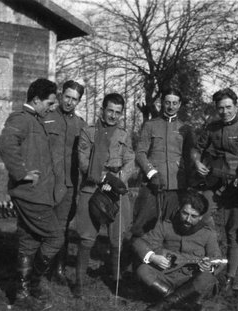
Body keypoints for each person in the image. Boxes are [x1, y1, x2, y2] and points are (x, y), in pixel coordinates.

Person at [0, 78, 61, 310]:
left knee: (28, 240)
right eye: (49, 102)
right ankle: (34, 282)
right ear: (36, 100)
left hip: (35, 193)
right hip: (30, 194)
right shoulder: (21, 119)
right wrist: (22, 173)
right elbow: (5, 144)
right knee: (55, 237)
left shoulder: (36, 120)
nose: (52, 107)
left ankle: (22, 296)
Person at [191, 88, 238, 294]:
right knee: (200, 218)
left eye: (228, 107)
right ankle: (203, 266)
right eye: (220, 108)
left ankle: (230, 277)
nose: (225, 112)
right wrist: (196, 161)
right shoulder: (211, 128)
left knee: (233, 233)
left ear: (236, 106)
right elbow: (196, 147)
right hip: (213, 183)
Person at [74, 93, 135, 298]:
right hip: (92, 187)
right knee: (86, 238)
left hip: (116, 189)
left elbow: (130, 161)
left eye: (118, 113)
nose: (113, 116)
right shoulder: (88, 132)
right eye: (110, 110)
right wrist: (103, 179)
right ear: (102, 110)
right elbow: (83, 161)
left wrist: (118, 179)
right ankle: (79, 285)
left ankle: (116, 283)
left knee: (117, 239)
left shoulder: (124, 135)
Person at [133, 189, 222, 311]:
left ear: (201, 217)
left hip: (192, 279)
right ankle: (184, 303)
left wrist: (209, 264)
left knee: (207, 278)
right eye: (185, 213)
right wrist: (153, 257)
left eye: (193, 216)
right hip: (167, 276)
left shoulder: (208, 234)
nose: (187, 219)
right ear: (180, 209)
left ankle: (164, 305)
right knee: (143, 270)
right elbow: (140, 243)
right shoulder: (166, 225)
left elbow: (218, 259)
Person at [132, 87, 195, 237]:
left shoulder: (186, 129)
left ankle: (165, 260)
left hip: (176, 187)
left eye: (174, 103)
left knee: (170, 229)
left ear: (179, 105)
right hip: (152, 185)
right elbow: (140, 153)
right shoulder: (150, 125)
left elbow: (190, 157)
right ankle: (139, 259)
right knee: (142, 227)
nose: (171, 106)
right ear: (162, 103)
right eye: (167, 102)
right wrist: (151, 173)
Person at [43, 80, 86, 284]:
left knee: (62, 228)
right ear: (61, 95)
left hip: (69, 184)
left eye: (74, 99)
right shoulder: (46, 117)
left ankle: (58, 269)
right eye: (67, 97)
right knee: (42, 224)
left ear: (79, 101)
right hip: (46, 182)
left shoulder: (81, 125)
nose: (69, 102)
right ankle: (40, 267)